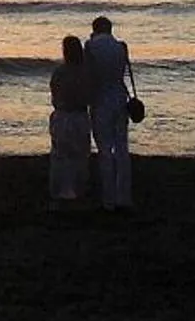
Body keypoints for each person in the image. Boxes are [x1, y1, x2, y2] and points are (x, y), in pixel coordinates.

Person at [83, 14, 136, 214]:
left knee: (104, 149)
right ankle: (124, 197)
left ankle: (108, 200)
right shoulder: (121, 47)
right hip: (119, 97)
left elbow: (89, 74)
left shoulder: (90, 46)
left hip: (100, 99)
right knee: (122, 147)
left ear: (95, 29)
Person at [47, 33, 94, 206]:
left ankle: (61, 191)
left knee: (60, 155)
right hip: (79, 115)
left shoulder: (59, 72)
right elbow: (90, 96)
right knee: (80, 155)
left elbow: (54, 94)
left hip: (62, 115)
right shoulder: (86, 72)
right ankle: (77, 189)